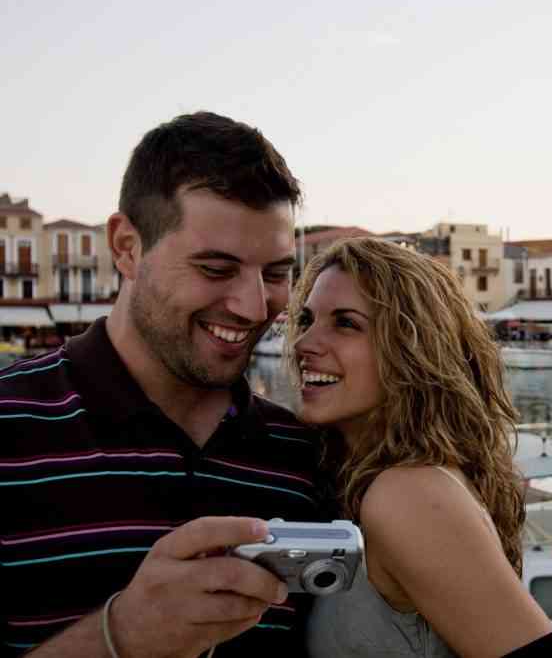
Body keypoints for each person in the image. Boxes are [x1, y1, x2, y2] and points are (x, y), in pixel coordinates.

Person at [0, 112, 325, 657]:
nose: (252, 307)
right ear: (126, 246)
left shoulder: (305, 455)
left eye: (274, 273)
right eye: (216, 269)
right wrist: (121, 636)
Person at [290, 239, 552, 657]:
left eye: (345, 323)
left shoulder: (408, 492)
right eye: (307, 320)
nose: (303, 344)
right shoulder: (380, 480)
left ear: (412, 349)